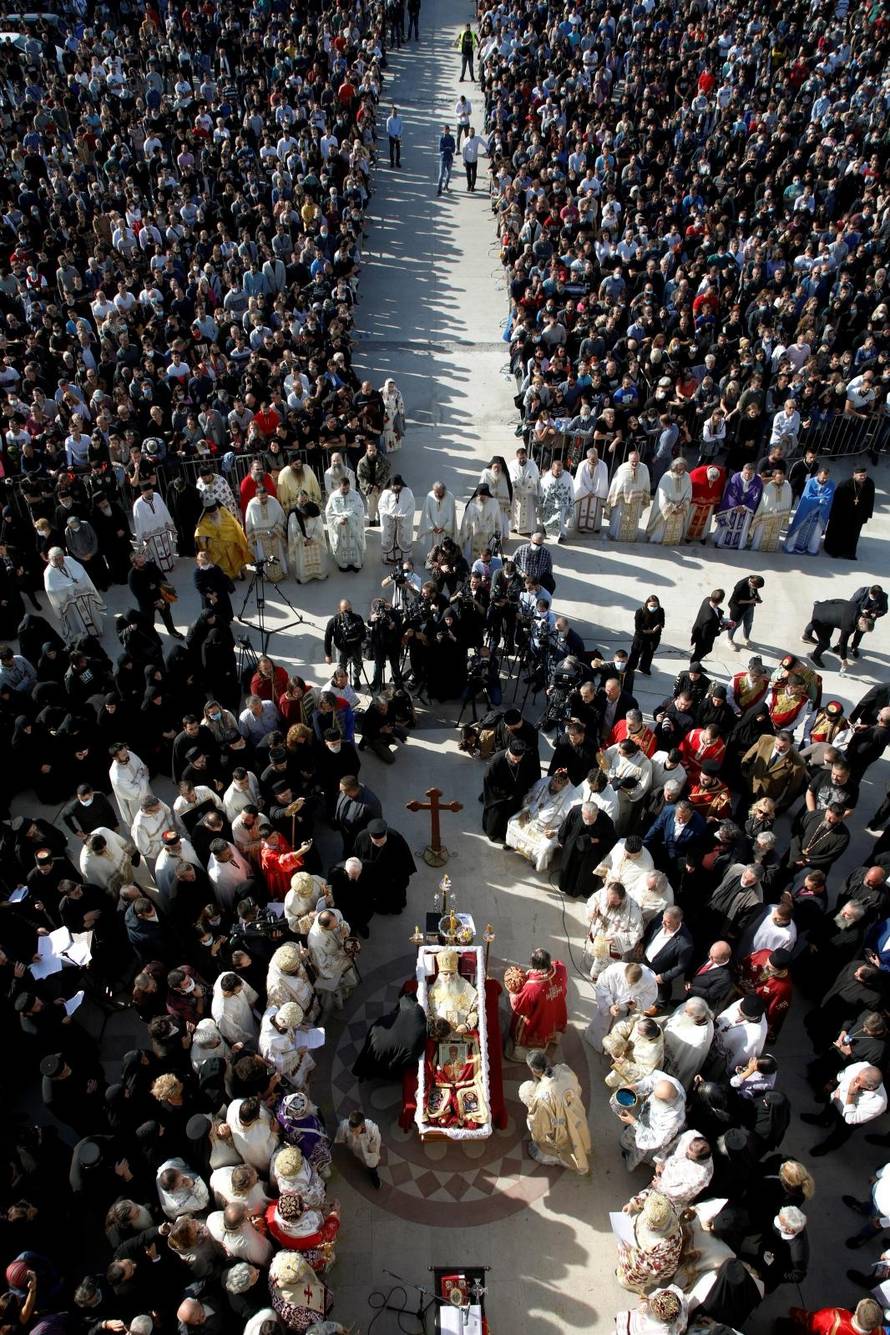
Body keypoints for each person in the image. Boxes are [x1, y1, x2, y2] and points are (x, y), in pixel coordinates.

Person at [517, 1050, 590, 1173]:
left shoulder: (541, 1097)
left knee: (538, 1129)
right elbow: (577, 1089)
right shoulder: (564, 1069)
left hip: (560, 1128)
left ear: (534, 1070)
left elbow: (539, 1126)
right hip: (576, 1113)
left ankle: (551, 1157)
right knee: (576, 1137)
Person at [505, 770, 578, 871]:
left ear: (565, 784)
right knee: (512, 822)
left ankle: (537, 862)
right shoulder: (545, 781)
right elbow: (530, 796)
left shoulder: (572, 797)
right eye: (553, 782)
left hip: (550, 829)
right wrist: (525, 810)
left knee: (544, 847)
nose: (552, 786)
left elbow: (569, 822)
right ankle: (513, 844)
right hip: (530, 817)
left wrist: (555, 832)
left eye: (557, 785)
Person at [505, 948, 568, 1060]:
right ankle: (552, 1040)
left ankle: (523, 1054)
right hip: (555, 1010)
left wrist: (513, 993)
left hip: (539, 1019)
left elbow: (520, 1007)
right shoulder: (561, 969)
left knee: (525, 1028)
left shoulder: (532, 986)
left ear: (534, 965)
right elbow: (557, 965)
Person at [481, 740, 541, 843]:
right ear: (509, 753)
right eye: (514, 759)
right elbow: (489, 780)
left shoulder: (526, 758)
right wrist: (503, 795)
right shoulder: (497, 760)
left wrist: (528, 790)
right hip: (499, 794)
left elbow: (532, 774)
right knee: (496, 816)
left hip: (517, 793)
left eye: (519, 759)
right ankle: (493, 834)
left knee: (511, 814)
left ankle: (506, 835)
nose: (517, 761)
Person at [556, 800, 617, 898]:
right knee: (568, 868)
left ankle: (581, 890)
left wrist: (596, 840)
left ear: (597, 813)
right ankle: (565, 886)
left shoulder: (605, 820)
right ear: (582, 812)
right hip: (573, 848)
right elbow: (566, 826)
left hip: (591, 853)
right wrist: (562, 840)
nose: (588, 822)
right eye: (585, 818)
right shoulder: (575, 811)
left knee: (585, 874)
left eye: (592, 819)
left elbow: (611, 840)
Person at [43, 548, 105, 641]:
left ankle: (97, 629)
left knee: (90, 614)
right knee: (76, 620)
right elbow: (50, 590)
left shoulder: (69, 560)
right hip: (69, 602)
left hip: (82, 595)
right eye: (57, 559)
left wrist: (76, 583)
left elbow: (81, 571)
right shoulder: (48, 572)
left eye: (61, 558)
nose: (61, 561)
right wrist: (67, 588)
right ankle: (84, 637)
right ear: (52, 559)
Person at [803, 597, 874, 669]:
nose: (862, 631)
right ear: (861, 625)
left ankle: (806, 636)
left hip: (820, 606)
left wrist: (824, 603)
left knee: (825, 628)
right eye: (863, 630)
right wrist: (844, 659)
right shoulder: (849, 627)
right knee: (825, 644)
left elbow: (838, 601)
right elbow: (843, 642)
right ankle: (814, 657)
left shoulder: (856, 606)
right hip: (819, 620)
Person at [824, 466, 876, 560]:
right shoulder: (845, 484)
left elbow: (871, 499)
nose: (863, 477)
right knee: (838, 532)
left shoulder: (870, 483)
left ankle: (849, 553)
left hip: (858, 514)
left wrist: (868, 514)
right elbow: (836, 501)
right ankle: (833, 551)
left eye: (865, 475)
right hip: (843, 514)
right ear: (854, 475)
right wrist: (833, 515)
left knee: (854, 534)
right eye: (861, 475)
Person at [194, 500, 251, 581]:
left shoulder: (224, 512)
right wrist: (203, 540)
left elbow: (234, 524)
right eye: (211, 515)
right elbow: (200, 531)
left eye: (215, 513)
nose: (214, 515)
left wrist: (234, 536)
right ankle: (226, 576)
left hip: (230, 542)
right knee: (223, 564)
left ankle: (238, 572)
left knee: (235, 558)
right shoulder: (204, 520)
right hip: (217, 548)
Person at [785, 466, 835, 555]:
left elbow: (829, 497)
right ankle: (790, 547)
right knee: (798, 527)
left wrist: (819, 500)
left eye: (826, 478)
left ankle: (812, 549)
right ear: (819, 474)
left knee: (816, 532)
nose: (824, 480)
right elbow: (807, 496)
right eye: (823, 478)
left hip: (819, 513)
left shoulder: (831, 484)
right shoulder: (811, 482)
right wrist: (819, 499)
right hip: (806, 511)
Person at [712, 463, 763, 549]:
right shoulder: (736, 477)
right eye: (746, 473)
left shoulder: (757, 480)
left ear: (754, 473)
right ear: (743, 470)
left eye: (750, 474)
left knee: (742, 527)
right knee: (727, 525)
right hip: (732, 508)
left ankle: (737, 544)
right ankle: (720, 542)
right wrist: (736, 505)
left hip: (746, 510)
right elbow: (730, 492)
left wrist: (745, 507)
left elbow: (756, 496)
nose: (747, 475)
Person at [132, 483, 178, 573]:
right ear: (142, 492)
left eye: (150, 491)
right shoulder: (138, 504)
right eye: (147, 492)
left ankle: (170, 565)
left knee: (167, 549)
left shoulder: (157, 496)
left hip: (163, 530)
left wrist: (169, 525)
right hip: (151, 535)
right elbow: (139, 523)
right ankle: (158, 570)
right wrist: (144, 537)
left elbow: (164, 510)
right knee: (156, 554)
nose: (150, 494)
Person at [325, 478, 366, 572]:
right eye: (344, 489)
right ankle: (343, 565)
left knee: (354, 544)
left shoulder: (355, 495)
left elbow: (360, 509)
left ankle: (356, 565)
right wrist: (338, 520)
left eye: (348, 488)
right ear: (339, 486)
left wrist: (349, 517)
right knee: (342, 546)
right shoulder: (333, 496)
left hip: (353, 527)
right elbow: (329, 513)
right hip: (340, 527)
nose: (346, 490)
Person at [245, 486, 288, 576]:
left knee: (278, 554)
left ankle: (281, 573)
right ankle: (266, 576)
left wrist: (276, 531)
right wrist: (252, 538)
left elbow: (281, 517)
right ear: (256, 496)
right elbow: (248, 522)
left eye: (265, 497)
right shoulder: (252, 505)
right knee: (263, 557)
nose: (264, 500)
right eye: (261, 498)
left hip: (275, 535)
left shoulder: (273, 501)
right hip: (261, 539)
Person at [607, 452, 651, 541]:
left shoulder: (644, 468)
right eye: (633, 461)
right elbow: (616, 484)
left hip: (637, 500)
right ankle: (616, 536)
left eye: (637, 461)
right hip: (622, 500)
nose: (635, 463)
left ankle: (631, 537)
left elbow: (646, 483)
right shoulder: (622, 468)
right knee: (619, 519)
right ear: (628, 459)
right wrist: (615, 498)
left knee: (633, 520)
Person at [647, 460, 691, 545]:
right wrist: (671, 508)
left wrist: (683, 505)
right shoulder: (666, 476)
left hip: (680, 507)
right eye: (679, 469)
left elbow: (689, 492)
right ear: (674, 468)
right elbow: (662, 495)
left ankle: (673, 541)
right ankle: (658, 540)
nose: (681, 471)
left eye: (683, 469)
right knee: (661, 527)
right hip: (667, 507)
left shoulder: (687, 476)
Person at [335, 1109, 382, 1188]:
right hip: (356, 1150)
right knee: (360, 1159)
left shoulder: (372, 1129)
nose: (353, 1134)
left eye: (356, 1131)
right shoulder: (344, 1126)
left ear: (363, 1125)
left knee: (372, 1169)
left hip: (370, 1154)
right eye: (351, 1130)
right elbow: (341, 1138)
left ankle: (375, 1180)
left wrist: (373, 1152)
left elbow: (376, 1143)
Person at [750, 468, 793, 552]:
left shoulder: (787, 486)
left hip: (779, 515)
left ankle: (771, 548)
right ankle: (757, 547)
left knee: (775, 532)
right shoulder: (769, 486)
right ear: (773, 478)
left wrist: (783, 511)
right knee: (761, 532)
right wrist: (771, 509)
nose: (781, 481)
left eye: (782, 479)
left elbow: (788, 499)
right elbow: (765, 502)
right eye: (779, 479)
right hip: (767, 514)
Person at [685, 463, 726, 543]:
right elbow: (691, 486)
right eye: (709, 480)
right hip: (696, 504)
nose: (711, 483)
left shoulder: (721, 474)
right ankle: (688, 536)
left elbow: (720, 487)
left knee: (706, 520)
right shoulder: (697, 473)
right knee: (692, 518)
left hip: (709, 504)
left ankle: (702, 536)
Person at [378, 476, 414, 564]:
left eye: (398, 486)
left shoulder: (408, 492)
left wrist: (403, 517)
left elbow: (411, 507)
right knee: (388, 538)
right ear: (391, 485)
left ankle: (404, 559)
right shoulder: (386, 492)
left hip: (403, 521)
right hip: (389, 521)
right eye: (394, 486)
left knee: (404, 538)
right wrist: (389, 516)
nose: (396, 488)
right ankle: (389, 559)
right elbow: (381, 507)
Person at [727, 576, 765, 649]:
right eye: (755, 587)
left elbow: (755, 590)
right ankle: (729, 640)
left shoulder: (754, 582)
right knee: (734, 624)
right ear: (751, 583)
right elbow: (736, 601)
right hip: (738, 608)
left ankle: (746, 639)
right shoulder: (739, 586)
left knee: (748, 623)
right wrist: (750, 601)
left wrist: (758, 597)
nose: (755, 588)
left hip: (749, 606)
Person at [689, 590, 727, 662]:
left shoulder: (707, 599)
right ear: (721, 601)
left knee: (701, 652)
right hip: (702, 639)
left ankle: (697, 664)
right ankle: (694, 665)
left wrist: (720, 618)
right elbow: (709, 634)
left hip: (699, 630)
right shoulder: (709, 618)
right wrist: (722, 629)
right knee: (702, 652)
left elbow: (716, 610)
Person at [437, 124, 455, 195]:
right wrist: (448, 148)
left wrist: (446, 148)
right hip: (443, 158)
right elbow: (440, 149)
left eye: (447, 130)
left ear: (449, 130)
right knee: (441, 175)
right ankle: (439, 189)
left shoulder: (452, 138)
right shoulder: (441, 138)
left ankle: (446, 186)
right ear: (443, 130)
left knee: (449, 174)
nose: (446, 131)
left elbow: (453, 149)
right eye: (445, 130)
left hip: (450, 158)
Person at [385, 104, 402, 168]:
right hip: (392, 137)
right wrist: (393, 136)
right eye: (394, 112)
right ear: (391, 112)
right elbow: (388, 129)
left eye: (396, 112)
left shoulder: (399, 119)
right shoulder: (389, 120)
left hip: (398, 136)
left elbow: (401, 127)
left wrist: (398, 135)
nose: (395, 113)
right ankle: (392, 162)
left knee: (398, 150)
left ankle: (397, 162)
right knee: (391, 150)